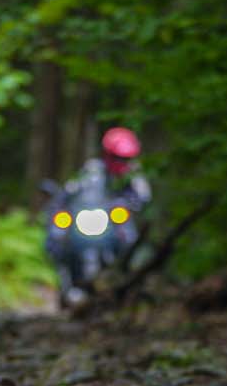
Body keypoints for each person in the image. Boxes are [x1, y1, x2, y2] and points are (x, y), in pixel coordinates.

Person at [45, 126, 150, 304]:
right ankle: (65, 283)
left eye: (124, 158)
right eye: (116, 157)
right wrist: (60, 201)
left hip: (113, 223)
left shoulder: (134, 174)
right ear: (107, 154)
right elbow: (72, 188)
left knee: (131, 240)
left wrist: (128, 204)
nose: (120, 161)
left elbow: (143, 196)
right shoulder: (93, 169)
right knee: (57, 234)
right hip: (88, 216)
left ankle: (131, 283)